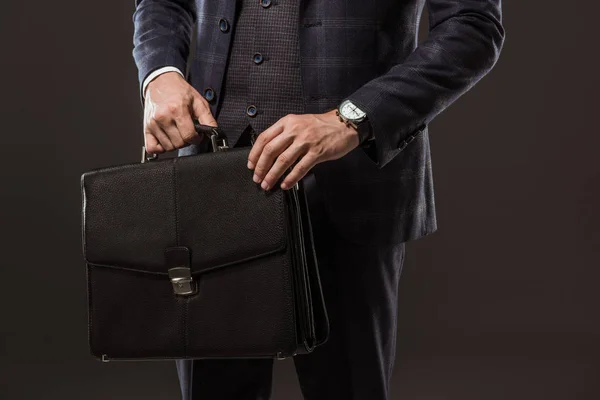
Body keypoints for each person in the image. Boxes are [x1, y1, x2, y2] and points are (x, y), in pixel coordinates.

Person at [132, 0, 504, 398]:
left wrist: (352, 119)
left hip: (350, 185)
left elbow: (473, 25)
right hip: (211, 175)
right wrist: (160, 73)